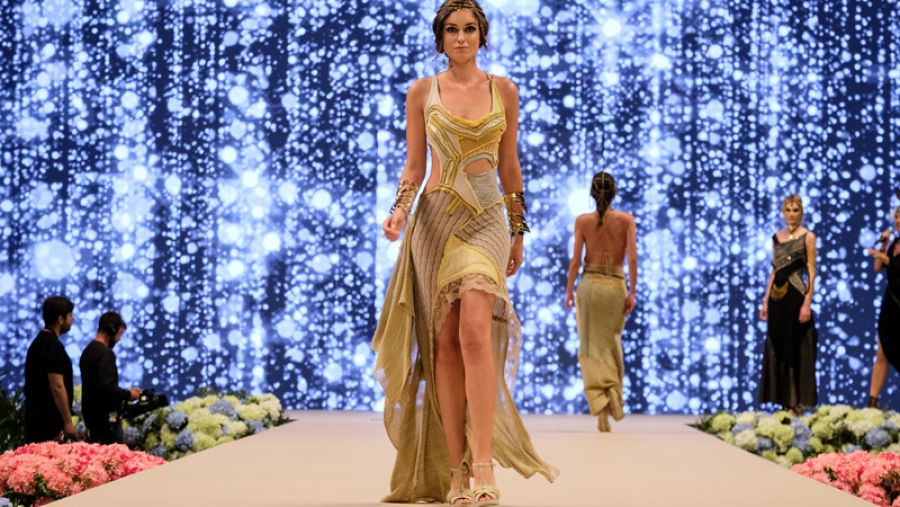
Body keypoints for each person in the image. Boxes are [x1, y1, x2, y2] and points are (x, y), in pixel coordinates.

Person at [371, 0, 557, 504]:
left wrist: (518, 231)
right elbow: (414, 165)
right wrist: (398, 212)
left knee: (475, 329)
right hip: (435, 220)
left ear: (482, 35)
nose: (461, 37)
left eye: (469, 28)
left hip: (488, 220)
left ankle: (484, 465)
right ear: (440, 38)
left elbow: (510, 166)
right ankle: (456, 472)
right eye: (451, 29)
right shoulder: (422, 91)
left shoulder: (504, 90)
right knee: (446, 345)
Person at [564, 172, 637, 432]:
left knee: (590, 347)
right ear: (614, 192)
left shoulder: (583, 221)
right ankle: (614, 392)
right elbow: (632, 258)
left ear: (592, 193)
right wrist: (632, 292)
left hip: (590, 286)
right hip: (615, 286)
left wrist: (569, 291)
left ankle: (601, 404)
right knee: (612, 343)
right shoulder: (626, 220)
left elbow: (575, 260)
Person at [759, 194, 818, 412]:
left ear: (801, 212)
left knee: (796, 346)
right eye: (788, 210)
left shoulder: (808, 237)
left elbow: (811, 270)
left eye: (795, 210)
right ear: (783, 212)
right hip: (777, 300)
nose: (792, 214)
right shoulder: (777, 237)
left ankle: (796, 403)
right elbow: (774, 270)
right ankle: (784, 402)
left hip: (796, 297)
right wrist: (765, 300)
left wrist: (807, 302)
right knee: (778, 345)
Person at [80, 311, 141, 444]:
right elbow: (107, 388)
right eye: (119, 334)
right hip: (106, 423)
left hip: (92, 420)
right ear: (112, 330)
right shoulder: (106, 354)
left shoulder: (87, 351)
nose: (119, 339)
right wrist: (129, 394)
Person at [24, 296, 76, 443]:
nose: (73, 319)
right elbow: (57, 386)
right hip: (48, 425)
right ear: (61, 319)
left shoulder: (39, 342)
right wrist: (68, 422)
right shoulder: (52, 345)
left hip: (37, 421)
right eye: (70, 315)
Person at [865, 206, 900, 408]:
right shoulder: (895, 242)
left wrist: (886, 259)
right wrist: (884, 245)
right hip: (890, 304)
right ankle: (872, 402)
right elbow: (878, 267)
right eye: (896, 217)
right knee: (882, 351)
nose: (898, 221)